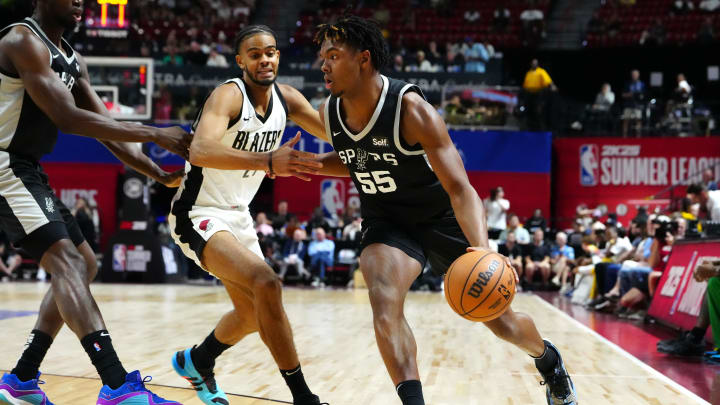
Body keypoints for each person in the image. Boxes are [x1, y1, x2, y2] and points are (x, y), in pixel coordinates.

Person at [314, 16, 577, 405]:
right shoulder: (329, 112)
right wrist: (310, 164)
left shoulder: (412, 110)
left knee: (503, 324)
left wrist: (483, 249)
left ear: (364, 59)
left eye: (333, 55)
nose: (324, 65)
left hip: (441, 220)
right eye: (322, 57)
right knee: (383, 298)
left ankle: (548, 360)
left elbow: (460, 188)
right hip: (386, 222)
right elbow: (356, 157)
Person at [0, 2, 192, 403]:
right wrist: (154, 132)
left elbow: (109, 131)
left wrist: (157, 172)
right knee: (67, 263)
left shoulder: (72, 59)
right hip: (4, 164)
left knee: (85, 263)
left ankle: (20, 379)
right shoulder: (22, 40)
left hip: (26, 167)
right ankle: (118, 385)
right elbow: (67, 118)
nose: (81, 1)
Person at [167, 25, 341, 405]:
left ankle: (196, 361)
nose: (265, 59)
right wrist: (267, 161)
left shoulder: (289, 99)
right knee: (267, 283)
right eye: (256, 53)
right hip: (198, 212)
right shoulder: (228, 95)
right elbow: (200, 150)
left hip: (238, 216)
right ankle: (303, 397)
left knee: (250, 315)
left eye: (271, 52)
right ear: (240, 60)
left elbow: (336, 137)